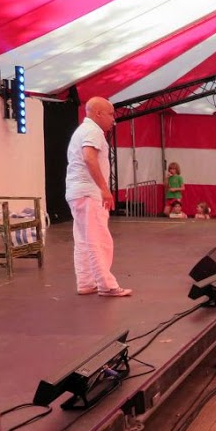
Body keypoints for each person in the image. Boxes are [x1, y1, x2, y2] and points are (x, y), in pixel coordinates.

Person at [65, 96, 131, 297]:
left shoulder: (83, 130)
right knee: (99, 239)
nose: (113, 119)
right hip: (88, 192)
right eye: (111, 114)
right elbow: (89, 157)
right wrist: (104, 189)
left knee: (84, 240)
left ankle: (86, 282)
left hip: (78, 192)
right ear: (98, 113)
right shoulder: (93, 131)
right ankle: (106, 284)